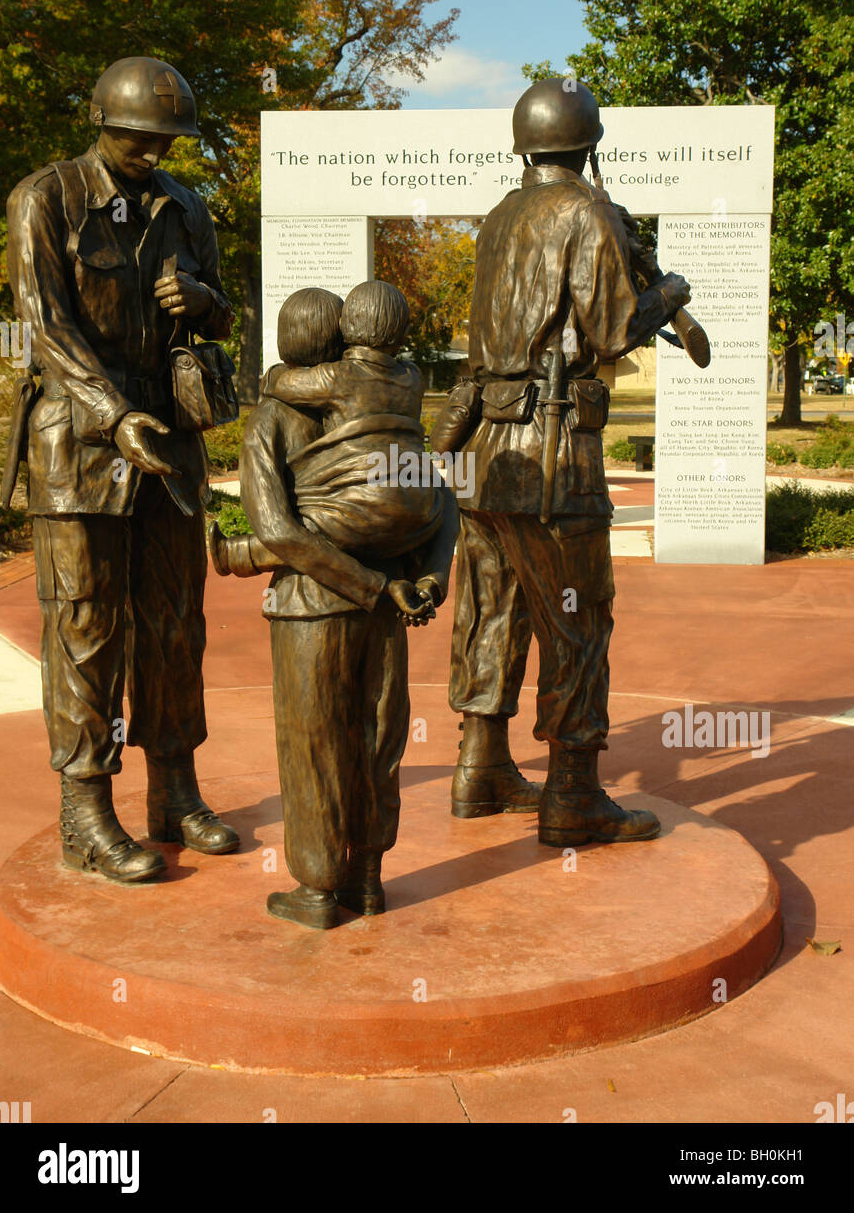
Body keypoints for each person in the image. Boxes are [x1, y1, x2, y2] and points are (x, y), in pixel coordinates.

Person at [436, 78, 691, 843]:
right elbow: (613, 331)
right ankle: (573, 792)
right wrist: (670, 289)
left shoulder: (496, 220)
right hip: (553, 456)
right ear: (587, 145)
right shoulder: (585, 212)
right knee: (578, 619)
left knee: (491, 608)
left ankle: (478, 770)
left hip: (485, 451)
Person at [4, 56, 239, 883]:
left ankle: (174, 789)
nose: (153, 152)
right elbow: (46, 325)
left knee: (176, 625)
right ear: (104, 123)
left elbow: (225, 308)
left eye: (165, 141)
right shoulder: (47, 198)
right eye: (140, 138)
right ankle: (86, 809)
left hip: (169, 437)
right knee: (85, 627)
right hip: (79, 439)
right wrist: (114, 414)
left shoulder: (185, 208)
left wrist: (202, 303)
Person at [213, 287, 458, 929]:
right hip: (387, 601)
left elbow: (281, 535)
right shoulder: (396, 401)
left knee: (314, 742)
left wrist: (375, 588)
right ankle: (368, 879)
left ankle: (318, 890)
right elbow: (436, 495)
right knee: (377, 738)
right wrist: (426, 575)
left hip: (313, 606)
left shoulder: (272, 416)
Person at [211, 281, 443, 575]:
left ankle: (242, 553)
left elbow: (281, 384)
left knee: (316, 528)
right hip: (418, 499)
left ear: (346, 327)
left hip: (361, 507)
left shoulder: (335, 379)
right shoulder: (413, 376)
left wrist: (271, 376)